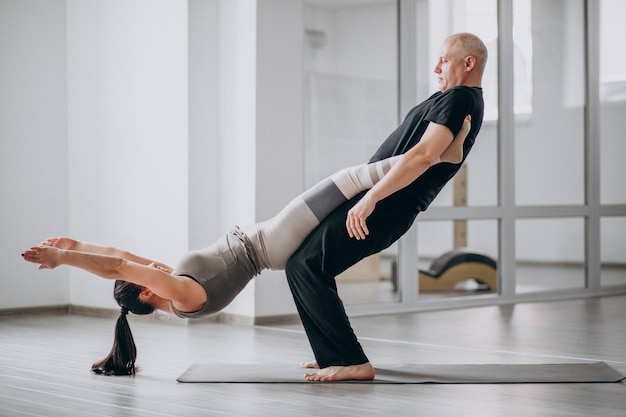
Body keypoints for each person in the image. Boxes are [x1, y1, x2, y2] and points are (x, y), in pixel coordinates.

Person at [20, 123, 470, 376]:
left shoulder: (174, 286)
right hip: (269, 242)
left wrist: (75, 244)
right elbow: (121, 264)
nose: (146, 265)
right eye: (141, 276)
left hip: (267, 239)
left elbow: (120, 255)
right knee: (350, 180)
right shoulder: (183, 297)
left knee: (350, 181)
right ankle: (440, 157)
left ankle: (431, 159)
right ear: (143, 293)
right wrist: (64, 261)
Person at [285, 32, 488, 382]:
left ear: (468, 63)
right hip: (382, 202)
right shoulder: (453, 98)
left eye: (444, 59)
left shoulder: (458, 99)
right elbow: (433, 153)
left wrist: (371, 198)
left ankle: (351, 361)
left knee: (306, 265)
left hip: (387, 206)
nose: (436, 67)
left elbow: (424, 157)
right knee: (305, 265)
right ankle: (333, 355)